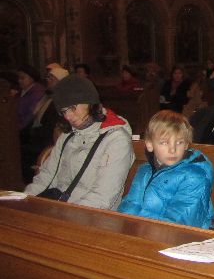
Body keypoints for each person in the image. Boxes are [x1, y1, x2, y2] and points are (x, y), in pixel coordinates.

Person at [24, 74, 135, 210]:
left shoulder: (116, 139)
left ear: (90, 102)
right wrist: (24, 200)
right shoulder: (67, 136)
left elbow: (103, 197)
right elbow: (46, 177)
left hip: (91, 215)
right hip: (58, 208)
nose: (68, 116)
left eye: (73, 107)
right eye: (63, 111)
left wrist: (64, 213)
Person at [118, 110, 214, 228]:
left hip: (180, 236)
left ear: (186, 145)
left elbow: (181, 221)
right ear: (150, 144)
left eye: (179, 142)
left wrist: (138, 226)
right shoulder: (144, 171)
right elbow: (130, 205)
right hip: (144, 231)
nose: (172, 150)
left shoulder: (195, 177)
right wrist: (125, 226)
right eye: (164, 143)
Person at [20, 67, 69, 183]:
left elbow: (55, 125)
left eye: (52, 78)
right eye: (48, 77)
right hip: (38, 138)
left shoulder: (61, 99)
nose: (48, 80)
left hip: (47, 141)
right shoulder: (48, 97)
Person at [17, 65, 46, 130]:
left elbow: (31, 115)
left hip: (27, 129)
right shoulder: (24, 90)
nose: (19, 80)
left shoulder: (37, 94)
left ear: (32, 78)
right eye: (18, 78)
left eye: (22, 78)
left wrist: (18, 127)